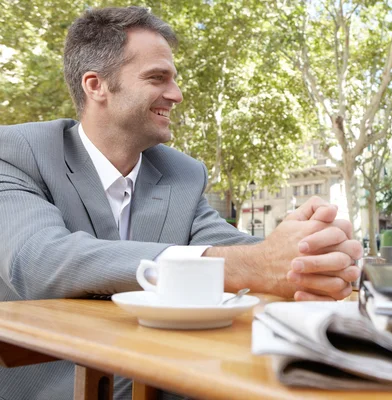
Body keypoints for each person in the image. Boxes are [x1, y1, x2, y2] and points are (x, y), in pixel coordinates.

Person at [0, 6, 362, 400]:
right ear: (96, 85)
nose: (177, 94)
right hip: (53, 380)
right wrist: (256, 264)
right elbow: (38, 261)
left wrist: (308, 251)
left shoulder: (182, 173)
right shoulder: (17, 152)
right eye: (158, 78)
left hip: (167, 371)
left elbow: (236, 249)